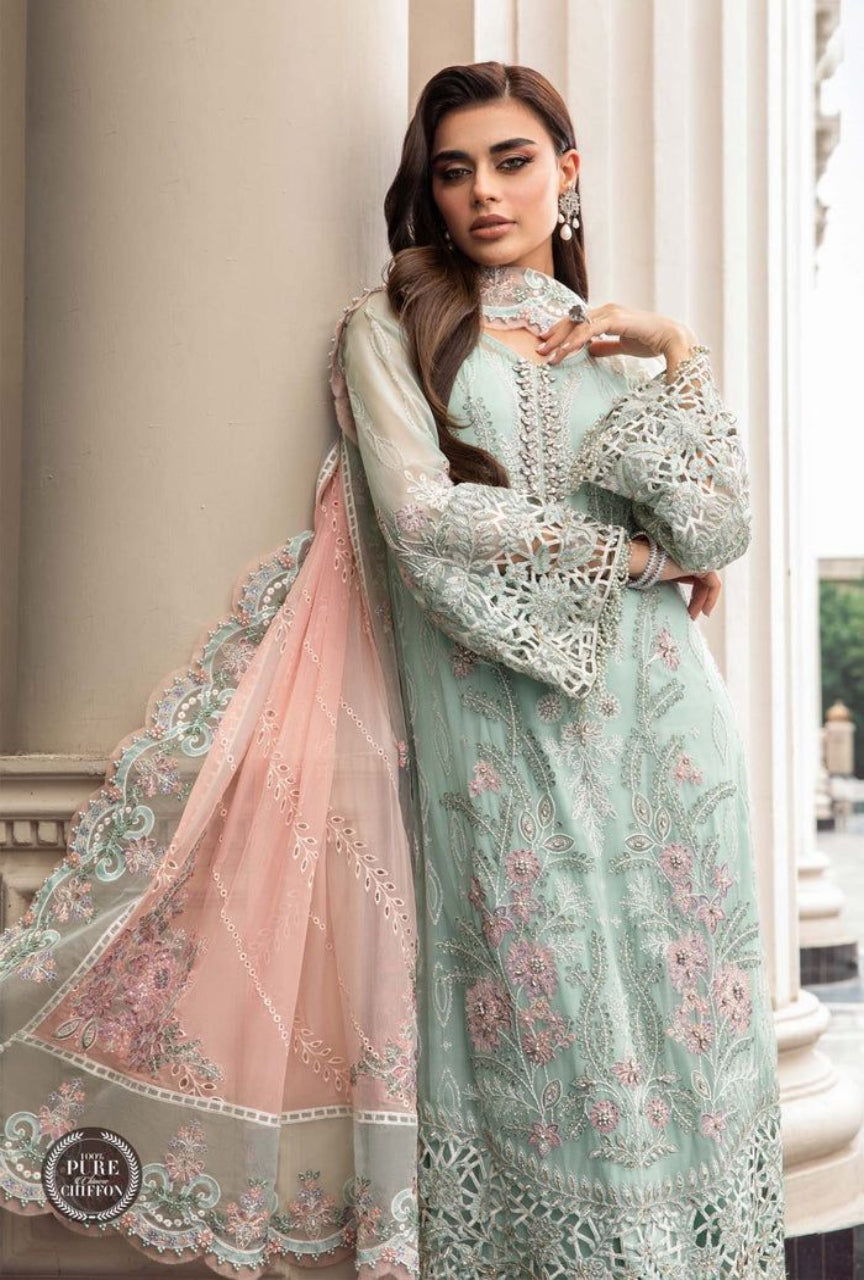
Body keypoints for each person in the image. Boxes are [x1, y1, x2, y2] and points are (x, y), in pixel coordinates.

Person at [0, 60, 785, 1279]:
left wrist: (677, 347)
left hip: (667, 737)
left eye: (513, 160)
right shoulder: (393, 328)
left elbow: (722, 524)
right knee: (549, 1029)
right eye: (454, 168)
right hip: (498, 728)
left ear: (566, 175)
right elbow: (426, 521)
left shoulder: (619, 351)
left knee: (685, 1042)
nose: (482, 191)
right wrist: (630, 557)